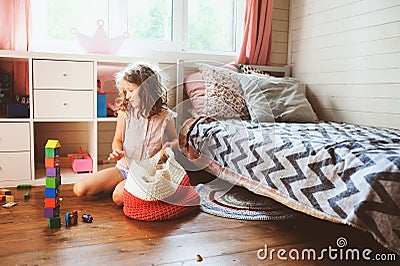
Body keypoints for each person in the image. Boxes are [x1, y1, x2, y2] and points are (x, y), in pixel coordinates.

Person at [73, 63, 179, 205]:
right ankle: (125, 186)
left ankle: (127, 188)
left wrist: (169, 146)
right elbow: (117, 139)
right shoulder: (125, 112)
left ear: (147, 89)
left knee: (118, 197)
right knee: (79, 189)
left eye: (130, 90)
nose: (127, 96)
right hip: (124, 168)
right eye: (125, 91)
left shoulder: (165, 116)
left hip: (148, 173)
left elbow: (174, 140)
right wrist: (117, 151)